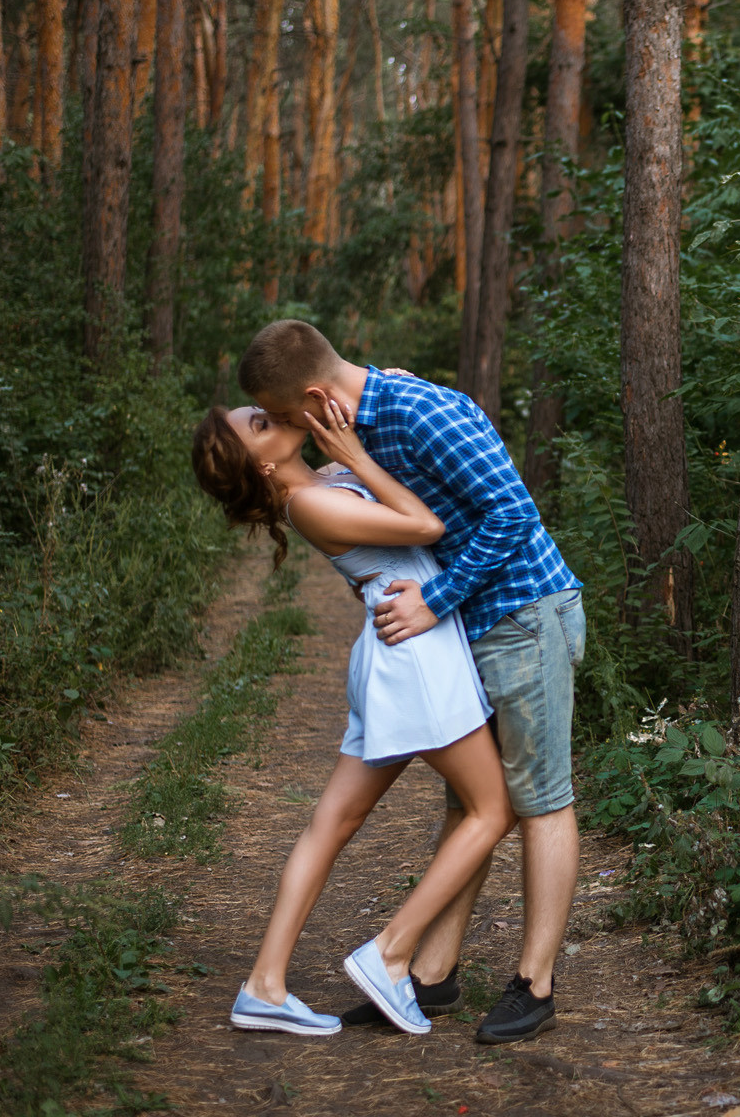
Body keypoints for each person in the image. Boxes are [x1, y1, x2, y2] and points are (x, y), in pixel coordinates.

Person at [237, 319, 584, 1045]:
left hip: (524, 612)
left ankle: (535, 982)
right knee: (471, 803)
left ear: (310, 398)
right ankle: (430, 972)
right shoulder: (349, 439)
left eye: (282, 415)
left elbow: (514, 513)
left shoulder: (419, 413)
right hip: (469, 627)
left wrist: (434, 598)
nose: (290, 429)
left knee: (539, 798)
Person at [190, 396, 516, 1036]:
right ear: (259, 467)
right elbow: (425, 528)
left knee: (333, 823)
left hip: (394, 652)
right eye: (258, 424)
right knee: (492, 809)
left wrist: (371, 413)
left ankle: (264, 984)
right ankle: (391, 952)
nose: (269, 413)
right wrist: (358, 458)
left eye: (260, 407)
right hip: (415, 656)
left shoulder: (322, 481)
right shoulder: (309, 501)